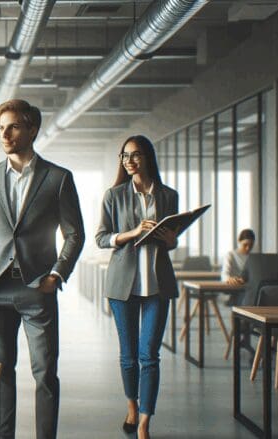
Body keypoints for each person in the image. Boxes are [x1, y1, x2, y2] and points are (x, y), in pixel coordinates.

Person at [0, 99, 85, 439]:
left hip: (37, 288)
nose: (5, 133)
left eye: (13, 126)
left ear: (32, 129)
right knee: (2, 373)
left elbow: (75, 234)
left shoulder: (58, 178)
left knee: (46, 373)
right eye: (1, 127)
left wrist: (57, 274)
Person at [95, 135, 179, 439]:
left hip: (158, 284)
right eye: (125, 156)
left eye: (136, 155)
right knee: (129, 355)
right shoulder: (114, 195)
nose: (129, 161)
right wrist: (130, 232)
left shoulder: (168, 195)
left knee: (150, 355)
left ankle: (144, 422)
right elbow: (102, 238)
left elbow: (172, 240)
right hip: (123, 285)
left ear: (148, 157)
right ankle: (132, 406)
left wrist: (172, 241)